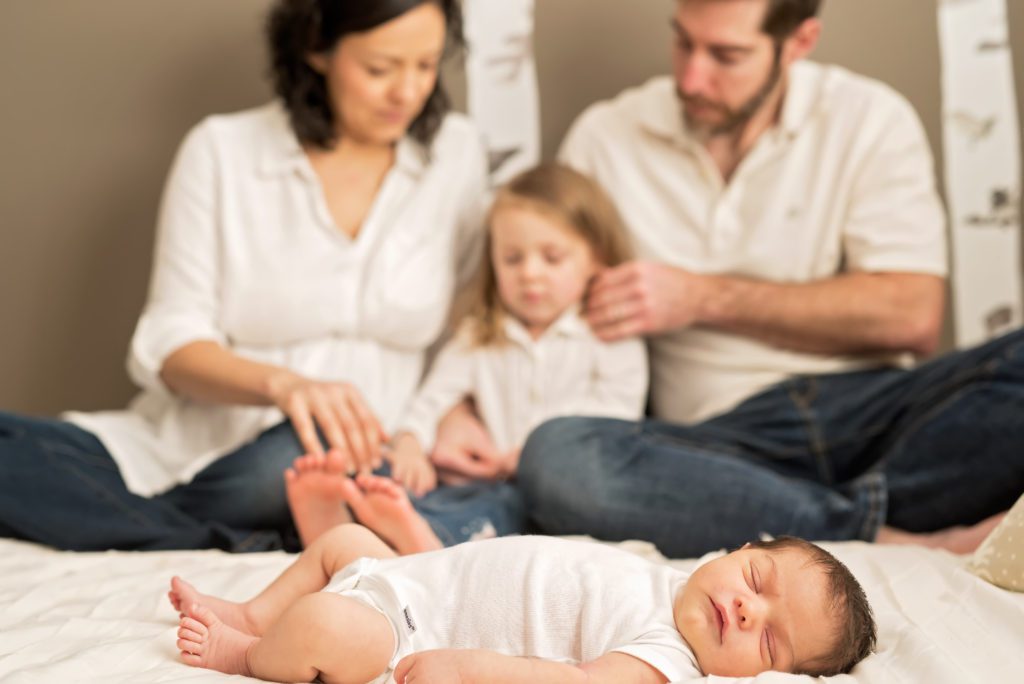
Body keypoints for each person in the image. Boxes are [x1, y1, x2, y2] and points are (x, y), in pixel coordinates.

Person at [0, 0, 523, 552]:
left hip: (353, 456)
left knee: (301, 453)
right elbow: (170, 341)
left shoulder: (454, 155)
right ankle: (211, 531)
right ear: (316, 48)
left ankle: (152, 523)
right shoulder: (222, 151)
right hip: (195, 452)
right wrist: (284, 386)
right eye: (380, 69)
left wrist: (452, 416)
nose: (408, 93)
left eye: (426, 65)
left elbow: (464, 327)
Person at [511, 0, 1024, 558]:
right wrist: (463, 407)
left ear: (800, 41)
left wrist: (699, 297)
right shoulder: (606, 137)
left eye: (727, 55)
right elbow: (541, 318)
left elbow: (913, 314)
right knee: (557, 457)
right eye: (683, 42)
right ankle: (878, 531)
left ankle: (789, 515)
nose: (691, 77)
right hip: (716, 446)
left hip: (870, 417)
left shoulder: (870, 118)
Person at [282, 163, 647, 552]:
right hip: (474, 482)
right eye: (512, 259)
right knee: (399, 481)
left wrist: (522, 459)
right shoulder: (480, 336)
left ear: (597, 258)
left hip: (547, 493)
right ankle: (348, 527)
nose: (530, 274)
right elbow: (434, 397)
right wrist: (409, 442)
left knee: (499, 509)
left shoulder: (611, 339)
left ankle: (411, 538)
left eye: (552, 258)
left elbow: (615, 420)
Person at [167, 523, 877, 682]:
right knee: (343, 540)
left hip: (404, 629)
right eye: (757, 580)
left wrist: (463, 670)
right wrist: (417, 542)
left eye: (772, 642)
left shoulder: (666, 659)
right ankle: (252, 612)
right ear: (734, 549)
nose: (750, 612)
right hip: (412, 578)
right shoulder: (656, 572)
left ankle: (250, 653)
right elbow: (501, 566)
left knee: (324, 624)